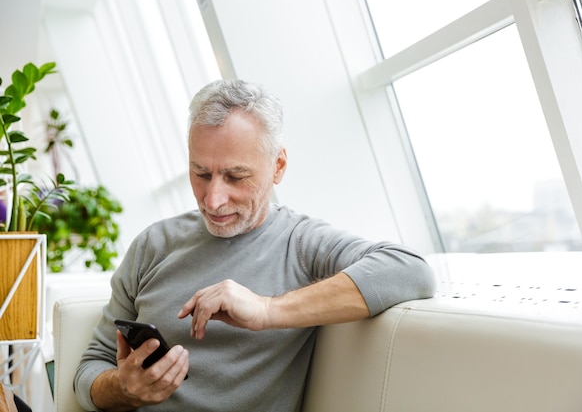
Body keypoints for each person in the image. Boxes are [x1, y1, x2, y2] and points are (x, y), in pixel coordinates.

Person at [74, 79, 436, 411]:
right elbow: (91, 367)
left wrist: (264, 311)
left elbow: (409, 270)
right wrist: (123, 389)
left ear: (278, 166)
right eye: (200, 173)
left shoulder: (301, 242)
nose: (213, 200)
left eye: (235, 176)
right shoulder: (154, 244)